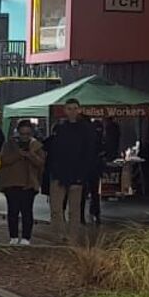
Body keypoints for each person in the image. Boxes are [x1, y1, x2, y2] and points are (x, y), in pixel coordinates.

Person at [44, 99, 101, 245]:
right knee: (56, 208)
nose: (72, 111)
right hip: (58, 173)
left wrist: (82, 176)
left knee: (74, 210)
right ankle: (59, 236)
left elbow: (89, 154)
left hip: (77, 174)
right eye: (69, 108)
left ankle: (72, 238)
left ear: (79, 110)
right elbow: (51, 149)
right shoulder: (59, 128)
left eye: (75, 108)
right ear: (65, 110)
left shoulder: (87, 129)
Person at [0, 119, 46, 246]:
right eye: (22, 134)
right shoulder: (9, 145)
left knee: (27, 211)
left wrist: (30, 155)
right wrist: (18, 155)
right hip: (11, 183)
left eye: (27, 134)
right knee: (13, 211)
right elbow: (3, 160)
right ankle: (13, 236)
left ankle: (26, 237)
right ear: (17, 132)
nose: (24, 137)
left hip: (29, 183)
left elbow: (41, 163)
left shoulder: (36, 146)